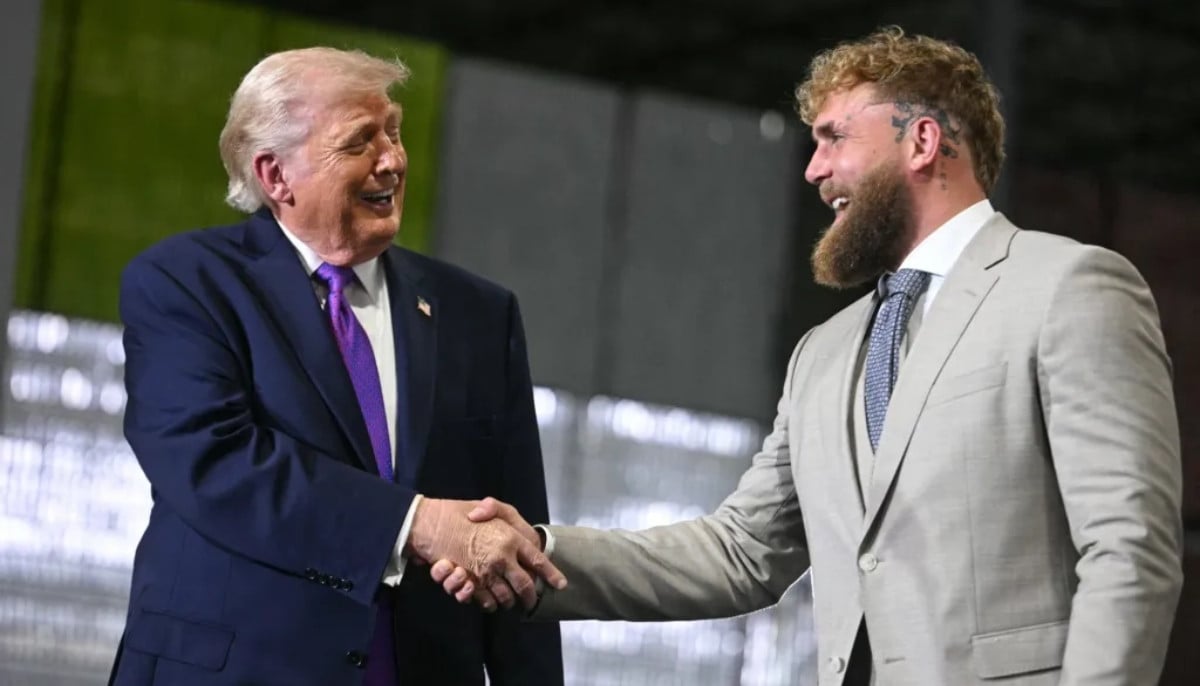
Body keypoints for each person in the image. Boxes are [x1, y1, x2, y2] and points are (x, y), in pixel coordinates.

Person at [435, 27, 1184, 685]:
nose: (813, 170)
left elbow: (1129, 550)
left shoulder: (1069, 286)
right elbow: (741, 552)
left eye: (834, 138)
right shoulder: (823, 355)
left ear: (922, 142)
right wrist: (535, 552)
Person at [109, 47, 565, 686]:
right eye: (360, 142)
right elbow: (213, 461)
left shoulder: (480, 314)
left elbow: (514, 535)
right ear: (275, 175)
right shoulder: (186, 284)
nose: (394, 160)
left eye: (395, 132)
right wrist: (416, 524)